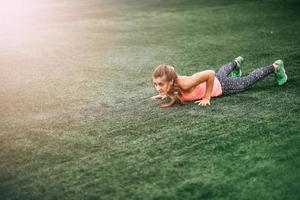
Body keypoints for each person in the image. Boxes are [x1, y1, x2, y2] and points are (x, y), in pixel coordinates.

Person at [151, 56, 288, 108]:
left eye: (161, 84)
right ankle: (236, 63)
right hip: (218, 79)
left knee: (247, 81)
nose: (157, 88)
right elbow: (171, 69)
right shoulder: (171, 82)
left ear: (171, 80)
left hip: (221, 86)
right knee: (221, 72)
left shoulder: (185, 83)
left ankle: (276, 67)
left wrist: (206, 96)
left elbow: (210, 74)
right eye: (156, 84)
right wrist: (165, 92)